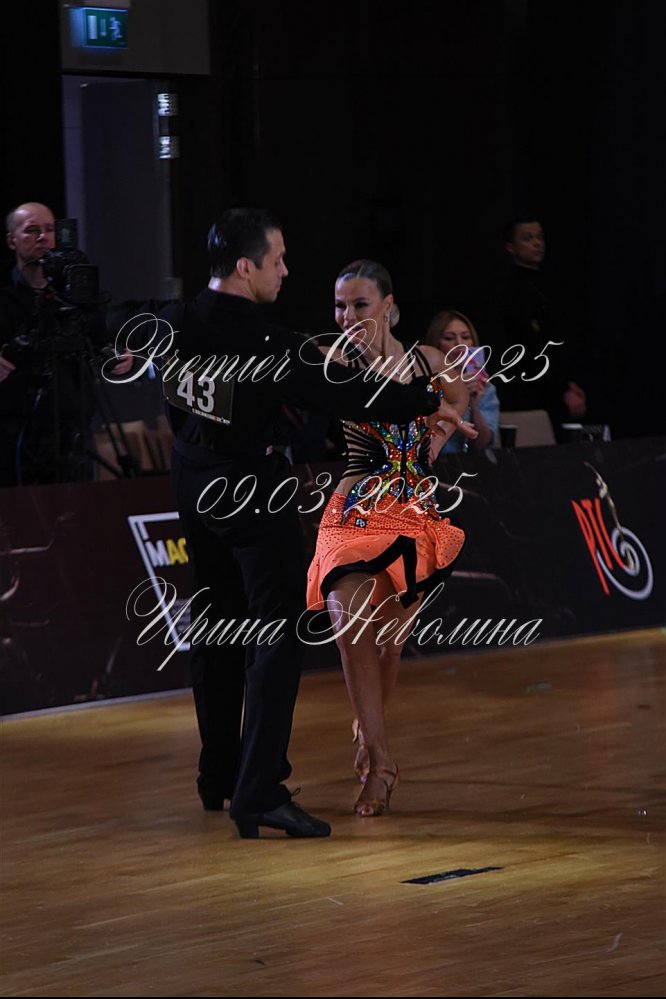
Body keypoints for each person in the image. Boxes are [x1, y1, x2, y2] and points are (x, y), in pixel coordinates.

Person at [138, 210, 472, 839]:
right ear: (247, 267)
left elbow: (121, 331)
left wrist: (440, 418)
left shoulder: (175, 319)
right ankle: (280, 785)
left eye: (359, 304)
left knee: (231, 630)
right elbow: (346, 394)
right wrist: (423, 401)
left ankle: (229, 772)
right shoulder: (286, 345)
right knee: (296, 630)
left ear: (390, 306)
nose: (287, 272)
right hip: (285, 494)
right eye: (278, 261)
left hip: (206, 484)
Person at [306, 260, 477, 818]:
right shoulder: (335, 362)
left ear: (388, 306)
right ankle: (380, 764)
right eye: (340, 306)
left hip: (413, 512)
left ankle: (368, 732)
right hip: (356, 508)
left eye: (359, 304)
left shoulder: (428, 361)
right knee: (348, 621)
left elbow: (460, 396)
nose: (347, 316)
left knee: (389, 644)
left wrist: (440, 436)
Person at [0, 202, 132, 486]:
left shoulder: (76, 297)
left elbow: (103, 343)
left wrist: (120, 356)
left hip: (74, 437)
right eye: (31, 230)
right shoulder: (5, 298)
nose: (42, 237)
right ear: (12, 240)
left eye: (50, 229)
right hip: (15, 438)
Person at [499, 216, 587, 430]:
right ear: (511, 247)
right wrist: (562, 387)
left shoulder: (548, 283)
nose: (537, 243)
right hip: (530, 388)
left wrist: (568, 382)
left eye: (539, 237)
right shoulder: (513, 290)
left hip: (555, 383)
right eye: (528, 238)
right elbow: (532, 346)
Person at [424, 309, 499, 452]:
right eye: (449, 338)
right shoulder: (424, 385)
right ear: (436, 343)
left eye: (465, 337)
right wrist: (456, 396)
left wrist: (474, 404)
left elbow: (482, 444)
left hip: (471, 462)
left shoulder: (484, 387)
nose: (459, 343)